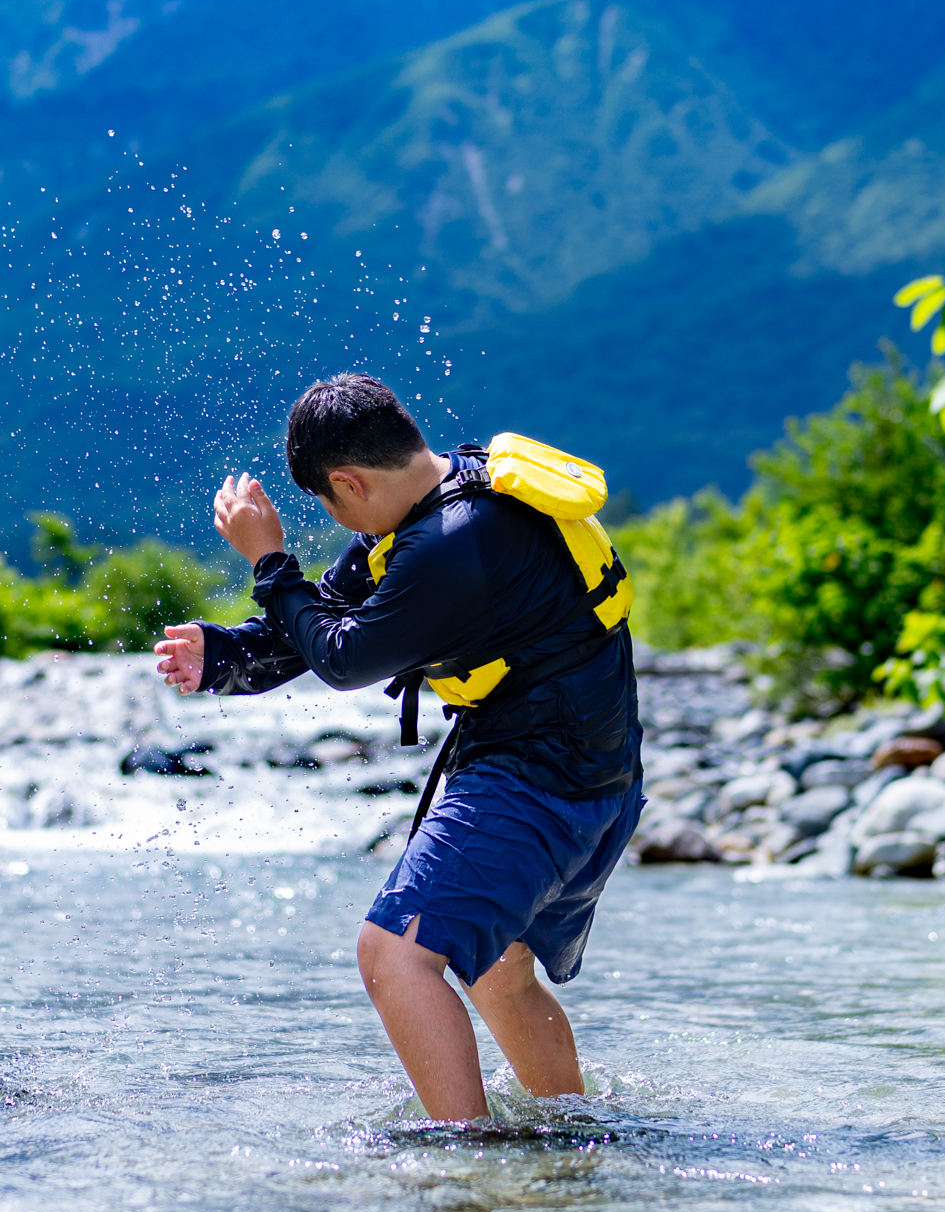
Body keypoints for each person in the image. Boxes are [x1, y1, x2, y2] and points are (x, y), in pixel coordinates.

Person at [153, 374, 642, 1122]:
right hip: (596, 774)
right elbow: (332, 620)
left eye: (331, 500)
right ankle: (574, 1138)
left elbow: (345, 658)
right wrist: (220, 656)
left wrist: (268, 559)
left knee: (394, 954)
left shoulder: (451, 544)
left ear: (349, 479)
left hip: (539, 777)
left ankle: (465, 1159)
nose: (338, 517)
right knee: (496, 968)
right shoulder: (455, 489)